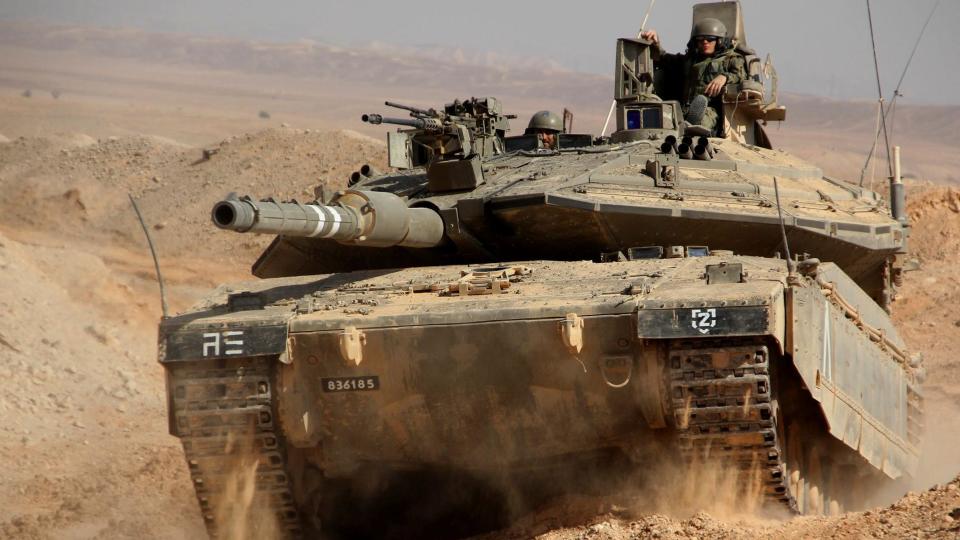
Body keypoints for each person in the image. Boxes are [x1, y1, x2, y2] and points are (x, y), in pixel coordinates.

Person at [640, 18, 747, 132]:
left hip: (712, 109)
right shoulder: (689, 61)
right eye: (700, 40)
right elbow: (663, 59)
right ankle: (687, 124)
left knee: (702, 121)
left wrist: (724, 77)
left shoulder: (731, 59)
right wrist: (656, 44)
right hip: (684, 108)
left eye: (710, 39)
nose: (705, 42)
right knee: (660, 121)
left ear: (719, 41)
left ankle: (693, 126)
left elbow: (741, 76)